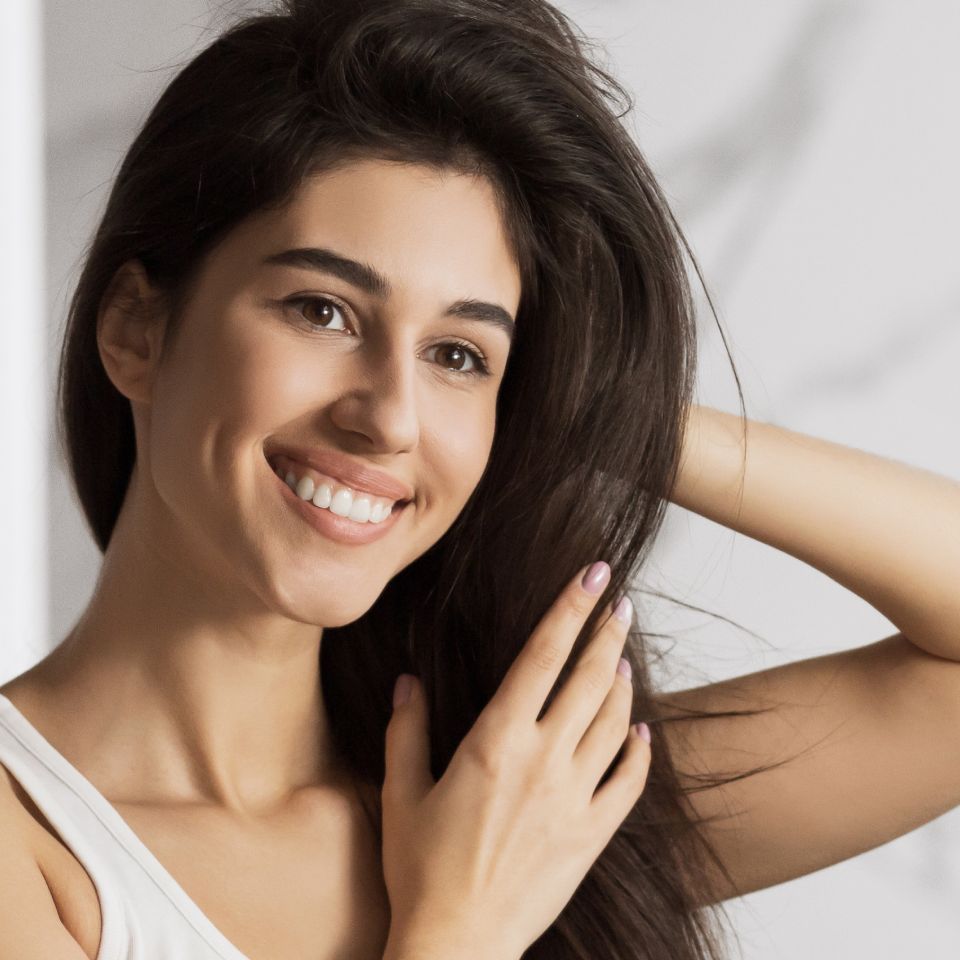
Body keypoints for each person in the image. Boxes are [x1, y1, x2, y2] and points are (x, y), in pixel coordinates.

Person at [2, 1, 959, 958]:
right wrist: (458, 930)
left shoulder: (520, 806)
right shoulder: (30, 841)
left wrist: (610, 411)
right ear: (136, 327)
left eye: (459, 355)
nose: (388, 417)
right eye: (322, 310)